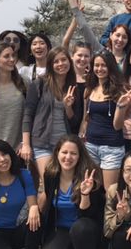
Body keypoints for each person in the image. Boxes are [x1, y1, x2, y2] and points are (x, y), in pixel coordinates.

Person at [38, 136, 105, 249]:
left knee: (80, 227)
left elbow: (87, 214)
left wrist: (85, 194)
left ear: (80, 156)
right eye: (64, 152)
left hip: (87, 228)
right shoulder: (51, 175)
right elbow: (48, 202)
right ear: (57, 153)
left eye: (73, 153)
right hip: (62, 228)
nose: (68, 157)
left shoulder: (90, 177)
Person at [21, 47, 84, 180]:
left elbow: (74, 122)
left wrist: (68, 107)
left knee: (64, 182)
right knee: (49, 180)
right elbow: (27, 115)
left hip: (64, 144)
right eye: (56, 61)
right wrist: (26, 144)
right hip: (42, 142)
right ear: (50, 64)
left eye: (64, 60)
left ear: (69, 61)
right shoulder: (39, 84)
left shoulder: (74, 87)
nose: (61, 64)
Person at [81, 50, 127, 188]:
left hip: (111, 147)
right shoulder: (89, 89)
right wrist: (82, 135)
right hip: (90, 145)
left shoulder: (119, 91)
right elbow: (86, 118)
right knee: (92, 188)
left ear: (110, 67)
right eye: (96, 65)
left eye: (103, 65)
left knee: (110, 190)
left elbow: (118, 126)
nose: (99, 69)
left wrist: (121, 106)